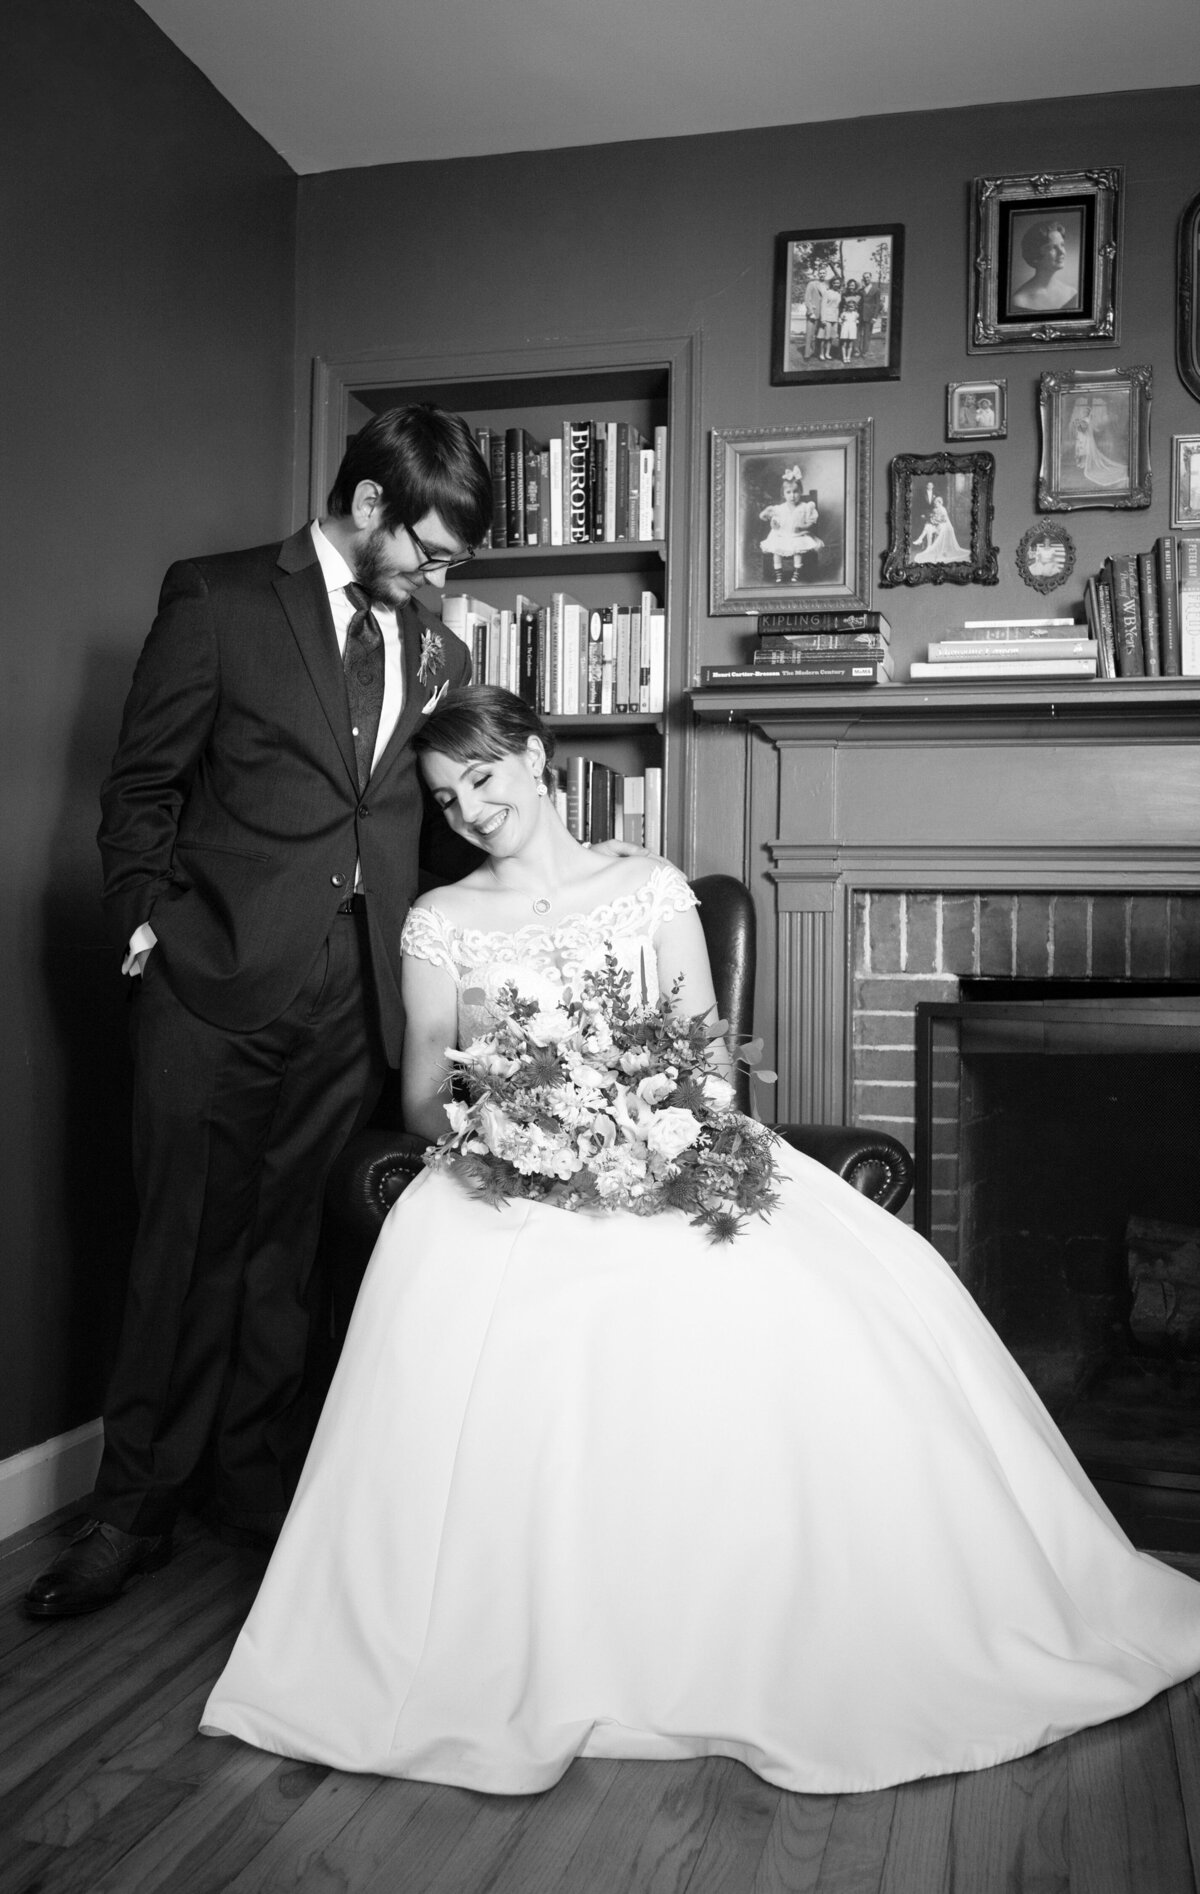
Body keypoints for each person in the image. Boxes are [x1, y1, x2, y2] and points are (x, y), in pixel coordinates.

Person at [201, 687, 1200, 1796]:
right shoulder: (441, 918)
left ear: (536, 759)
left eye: (485, 777)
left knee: (785, 1294)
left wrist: (632, 1123)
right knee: (478, 1287)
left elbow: (708, 1059)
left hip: (667, 1151)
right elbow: (427, 1081)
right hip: (507, 1176)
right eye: (447, 796)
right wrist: (517, 1130)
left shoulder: (648, 888)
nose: (471, 807)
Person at [25, 405, 496, 1620]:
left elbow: (429, 813)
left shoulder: (434, 649)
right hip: (214, 982)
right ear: (374, 504)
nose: (440, 582)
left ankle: (251, 1491)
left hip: (358, 996)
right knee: (178, 1247)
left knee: (288, 1255)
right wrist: (150, 925)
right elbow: (140, 787)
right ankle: (129, 1511)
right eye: (431, 553)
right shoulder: (220, 598)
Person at [759, 466, 823, 583]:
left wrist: (802, 527)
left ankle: (796, 572)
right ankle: (779, 574)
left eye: (795, 492)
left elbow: (811, 522)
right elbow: (774, 525)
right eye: (788, 492)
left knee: (797, 550)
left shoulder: (806, 506)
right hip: (782, 535)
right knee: (776, 551)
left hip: (798, 535)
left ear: (801, 492)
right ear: (783, 494)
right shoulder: (779, 508)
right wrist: (774, 524)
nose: (792, 496)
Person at [1010, 218, 1079, 314]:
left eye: (1062, 245)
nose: (1062, 252)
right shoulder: (1020, 301)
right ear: (1036, 254)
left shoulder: (1072, 293)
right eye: (1052, 247)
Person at [911, 491, 970, 563]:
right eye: (934, 503)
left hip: (942, 525)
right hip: (935, 525)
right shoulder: (934, 509)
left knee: (929, 527)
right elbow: (932, 517)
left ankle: (923, 541)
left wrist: (937, 521)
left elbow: (945, 520)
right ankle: (926, 545)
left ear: (940, 503)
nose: (935, 504)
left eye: (936, 503)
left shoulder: (943, 509)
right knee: (927, 526)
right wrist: (932, 520)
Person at [802, 267, 825, 360]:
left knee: (819, 335)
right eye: (821, 273)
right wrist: (810, 311)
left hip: (823, 314)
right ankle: (807, 355)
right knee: (810, 335)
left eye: (824, 273)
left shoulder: (827, 286)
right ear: (818, 274)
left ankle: (817, 352)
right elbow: (807, 298)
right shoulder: (812, 284)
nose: (822, 274)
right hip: (813, 313)